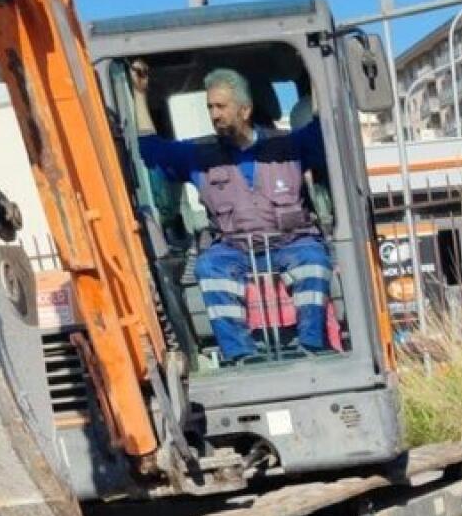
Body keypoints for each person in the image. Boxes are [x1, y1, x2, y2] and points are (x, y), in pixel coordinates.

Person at [133, 64, 333, 364]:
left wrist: (317, 73)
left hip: (292, 242)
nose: (214, 114)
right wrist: (139, 94)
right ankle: (240, 354)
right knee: (208, 268)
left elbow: (322, 129)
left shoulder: (289, 145)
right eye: (210, 107)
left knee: (314, 259)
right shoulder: (198, 155)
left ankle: (312, 345)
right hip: (234, 248)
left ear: (245, 110)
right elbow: (151, 150)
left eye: (221, 106)